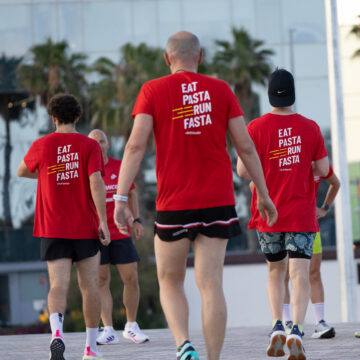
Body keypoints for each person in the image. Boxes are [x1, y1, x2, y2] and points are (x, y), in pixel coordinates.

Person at [112, 31, 277, 360]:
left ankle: (184, 345)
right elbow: (245, 146)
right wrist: (263, 193)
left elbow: (135, 146)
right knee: (211, 284)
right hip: (218, 200)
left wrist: (119, 198)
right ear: (199, 57)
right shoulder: (221, 90)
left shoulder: (152, 90)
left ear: (166, 58)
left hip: (174, 203)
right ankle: (213, 358)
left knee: (169, 279)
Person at [237, 68, 329, 360]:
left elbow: (241, 170)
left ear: (268, 95)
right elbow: (325, 171)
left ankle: (278, 324)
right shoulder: (311, 127)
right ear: (293, 94)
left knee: (275, 271)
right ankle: (297, 331)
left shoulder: (255, 128)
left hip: (268, 212)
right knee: (299, 273)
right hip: (301, 211)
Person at [17, 94, 110, 360]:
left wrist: (47, 171)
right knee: (90, 286)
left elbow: (22, 171)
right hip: (85, 226)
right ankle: (90, 348)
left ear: (53, 118)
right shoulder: (89, 145)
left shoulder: (42, 145)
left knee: (58, 284)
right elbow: (96, 183)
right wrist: (103, 220)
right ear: (77, 117)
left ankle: (57, 334)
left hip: (52, 226)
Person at [88, 129, 149, 345]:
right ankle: (108, 329)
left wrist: (137, 221)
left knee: (131, 277)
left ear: (107, 144)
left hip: (121, 232)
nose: (98, 145)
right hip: (95, 235)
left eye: (102, 141)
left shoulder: (119, 166)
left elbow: (131, 193)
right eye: (93, 142)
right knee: (101, 280)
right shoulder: (85, 171)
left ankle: (131, 326)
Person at [283, 165, 340, 339]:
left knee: (314, 273)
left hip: (309, 224)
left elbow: (335, 183)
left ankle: (320, 323)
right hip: (283, 223)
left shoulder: (319, 164)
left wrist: (325, 208)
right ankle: (287, 323)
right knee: (284, 275)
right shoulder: (287, 159)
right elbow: (253, 185)